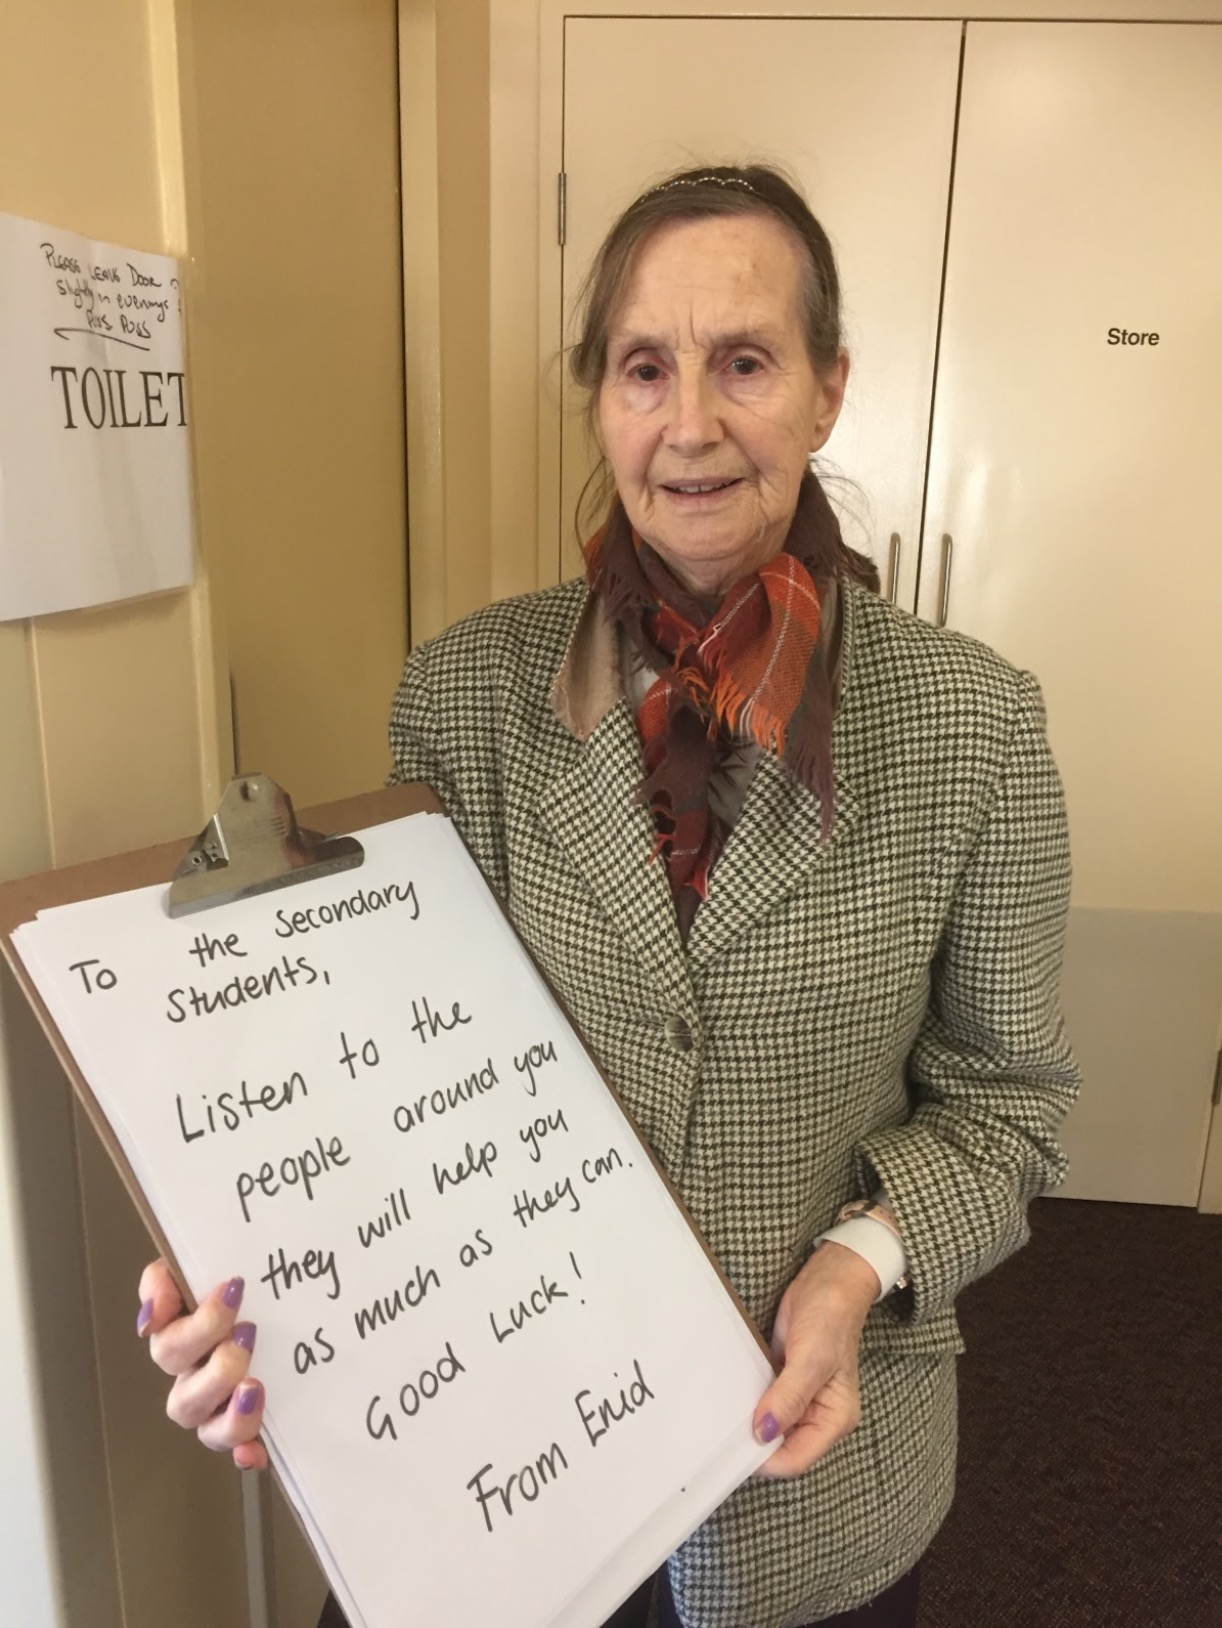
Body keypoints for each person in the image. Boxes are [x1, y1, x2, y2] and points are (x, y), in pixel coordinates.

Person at [137, 164, 1080, 1628]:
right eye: (644, 367)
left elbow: (1007, 1105)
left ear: (828, 390)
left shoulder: (975, 727)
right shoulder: (463, 692)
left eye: (744, 363)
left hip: (806, 1487)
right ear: (599, 397)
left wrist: (855, 1263)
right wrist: (257, 1269)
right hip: (497, 1459)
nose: (689, 423)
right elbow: (373, 1069)